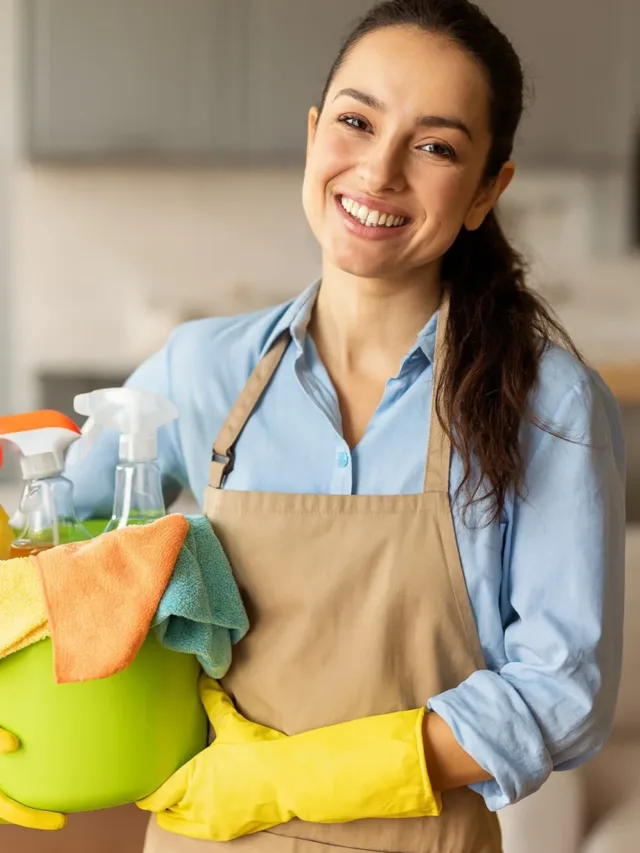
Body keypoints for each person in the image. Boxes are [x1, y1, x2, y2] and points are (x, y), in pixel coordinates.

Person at [8, 1, 627, 850]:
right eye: (356, 120)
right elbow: (36, 561)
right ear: (313, 132)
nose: (378, 171)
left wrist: (294, 776)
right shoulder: (202, 370)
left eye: (436, 145)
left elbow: (562, 691)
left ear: (488, 189)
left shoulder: (545, 403)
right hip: (208, 838)